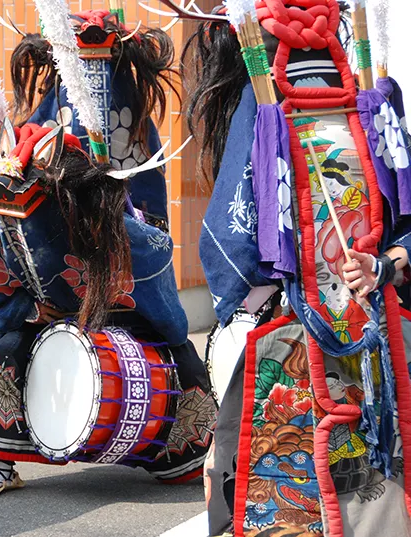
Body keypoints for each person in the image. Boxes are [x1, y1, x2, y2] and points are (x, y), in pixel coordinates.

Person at [0, 11, 216, 500]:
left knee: (176, 353)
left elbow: (151, 224)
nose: (92, 78)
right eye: (80, 62)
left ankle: (186, 453)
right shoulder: (30, 138)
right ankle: (1, 461)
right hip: (47, 290)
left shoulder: (136, 129)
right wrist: (26, 302)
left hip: (121, 280)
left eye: (101, 61)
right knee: (6, 347)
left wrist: (118, 246)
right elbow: (4, 251)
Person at [184, 2, 411, 535]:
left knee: (261, 465)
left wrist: (239, 305)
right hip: (371, 327)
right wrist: (384, 268)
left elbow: (231, 243)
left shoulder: (273, 104)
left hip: (304, 327)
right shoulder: (371, 103)